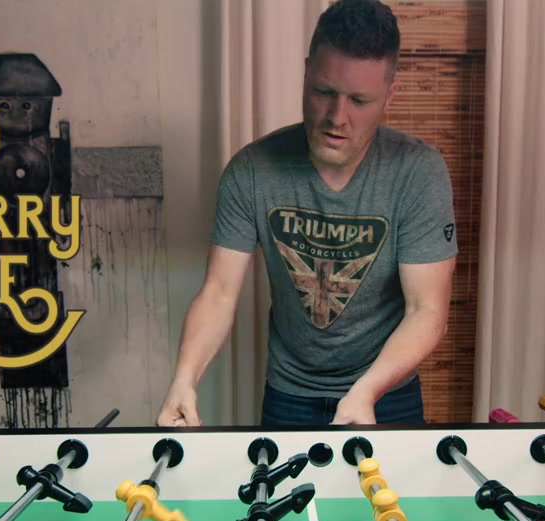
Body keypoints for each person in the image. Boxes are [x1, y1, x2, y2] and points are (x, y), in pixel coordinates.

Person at [155, 0, 457, 428]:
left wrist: (366, 391)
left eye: (360, 100)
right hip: (290, 393)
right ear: (305, 72)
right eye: (325, 92)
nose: (337, 117)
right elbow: (219, 292)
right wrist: (184, 380)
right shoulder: (252, 170)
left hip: (388, 390)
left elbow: (426, 311)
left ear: (390, 95)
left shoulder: (419, 172)